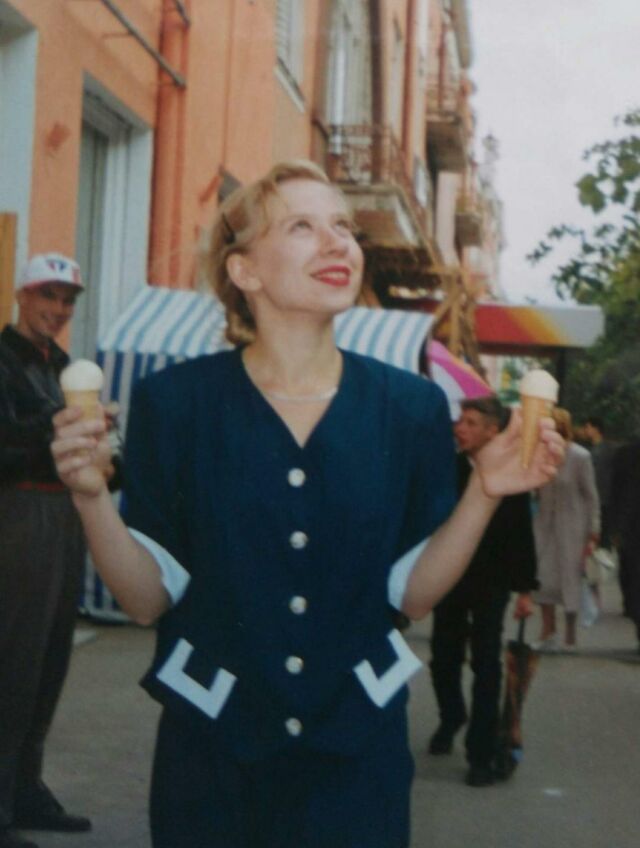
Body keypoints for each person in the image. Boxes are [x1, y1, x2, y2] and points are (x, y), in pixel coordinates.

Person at [50, 161, 563, 848]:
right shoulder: (176, 403)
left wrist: (484, 491)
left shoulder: (410, 407)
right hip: (213, 747)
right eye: (301, 227)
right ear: (245, 271)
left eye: (343, 227)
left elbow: (411, 595)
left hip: (357, 751)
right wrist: (91, 498)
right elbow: (146, 601)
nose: (337, 242)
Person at [0, 254, 92, 848]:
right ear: (22, 295)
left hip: (64, 515)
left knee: (50, 659)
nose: (57, 310)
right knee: (12, 662)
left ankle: (25, 788)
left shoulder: (64, 367)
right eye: (48, 296)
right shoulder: (2, 360)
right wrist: (60, 426)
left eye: (67, 300)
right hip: (18, 516)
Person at [427, 397, 538, 788]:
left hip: (492, 582)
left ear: (493, 430)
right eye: (460, 420)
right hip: (448, 578)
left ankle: (480, 753)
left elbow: (521, 534)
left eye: (471, 422)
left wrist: (525, 590)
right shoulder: (448, 468)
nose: (460, 427)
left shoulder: (510, 475)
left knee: (486, 664)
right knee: (443, 657)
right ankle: (451, 716)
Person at [533, 408, 600, 652]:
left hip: (572, 527)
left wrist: (593, 530)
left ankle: (570, 635)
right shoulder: (539, 455)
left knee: (570, 580)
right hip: (544, 526)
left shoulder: (580, 456)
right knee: (542, 578)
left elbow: (591, 496)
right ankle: (547, 631)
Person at [610, 438, 640, 651]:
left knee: (633, 580)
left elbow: (615, 493)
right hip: (632, 530)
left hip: (630, 530)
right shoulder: (626, 455)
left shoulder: (625, 453)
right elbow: (616, 492)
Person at [584, 415, 616, 550]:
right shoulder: (599, 449)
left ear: (596, 429)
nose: (586, 430)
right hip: (601, 495)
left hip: (601, 496)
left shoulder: (601, 451)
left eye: (588, 427)